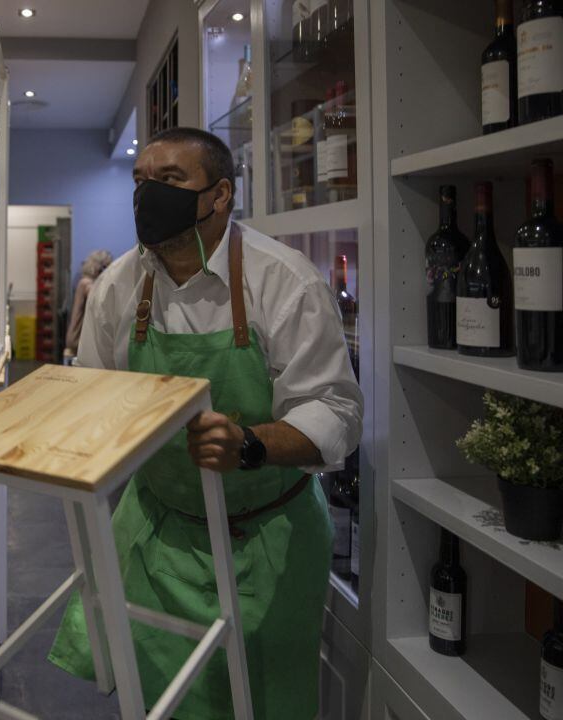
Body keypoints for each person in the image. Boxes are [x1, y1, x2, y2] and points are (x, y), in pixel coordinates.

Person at [48, 127, 363, 719]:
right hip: (158, 533)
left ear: (220, 195)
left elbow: (337, 411)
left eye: (170, 180)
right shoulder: (121, 284)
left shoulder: (283, 281)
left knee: (259, 699)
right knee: (160, 697)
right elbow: (93, 392)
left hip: (266, 539)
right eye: (141, 181)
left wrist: (248, 443)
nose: (148, 194)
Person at [64, 249, 113, 361]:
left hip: (77, 336)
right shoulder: (86, 283)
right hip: (77, 338)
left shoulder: (85, 281)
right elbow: (99, 299)